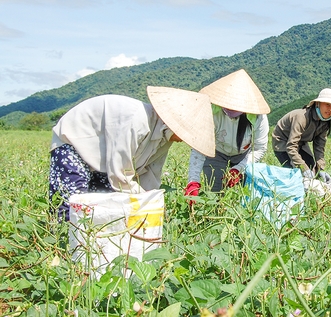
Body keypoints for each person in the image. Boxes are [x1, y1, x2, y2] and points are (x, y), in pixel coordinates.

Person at [49, 86, 215, 221]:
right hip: (73, 140)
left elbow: (151, 173)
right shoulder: (138, 121)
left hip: (103, 158)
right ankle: (61, 250)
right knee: (73, 204)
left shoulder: (165, 137)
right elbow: (120, 174)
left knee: (104, 207)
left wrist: (151, 203)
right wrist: (142, 201)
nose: (185, 141)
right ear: (177, 125)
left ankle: (93, 252)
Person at [186, 69, 270, 195]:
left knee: (245, 193)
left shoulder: (257, 117)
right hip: (216, 153)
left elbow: (259, 148)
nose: (230, 108)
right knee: (215, 193)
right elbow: (200, 147)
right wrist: (193, 181)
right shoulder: (212, 112)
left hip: (244, 155)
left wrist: (238, 169)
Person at [272, 88, 331, 183]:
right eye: (327, 104)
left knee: (312, 168)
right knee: (296, 174)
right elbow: (291, 146)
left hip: (301, 142)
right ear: (318, 103)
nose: (330, 109)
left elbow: (319, 147)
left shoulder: (325, 123)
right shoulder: (301, 117)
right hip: (282, 142)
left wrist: (320, 169)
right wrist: (303, 168)